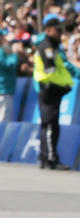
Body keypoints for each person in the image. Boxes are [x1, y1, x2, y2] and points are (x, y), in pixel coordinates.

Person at [34, 15, 74, 170]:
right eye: (57, 30)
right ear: (48, 30)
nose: (60, 33)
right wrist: (64, 84)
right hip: (50, 88)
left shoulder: (51, 45)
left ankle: (44, 156)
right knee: (51, 124)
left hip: (50, 88)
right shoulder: (47, 46)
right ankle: (51, 158)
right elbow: (50, 69)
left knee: (48, 123)